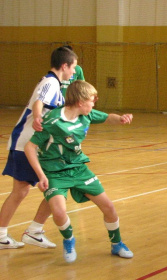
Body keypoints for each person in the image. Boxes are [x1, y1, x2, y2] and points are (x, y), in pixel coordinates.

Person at [24, 80, 134, 263]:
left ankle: (117, 244)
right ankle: (69, 240)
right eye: (92, 100)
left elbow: (107, 117)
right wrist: (41, 175)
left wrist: (121, 118)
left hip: (79, 169)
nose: (94, 103)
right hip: (55, 172)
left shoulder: (87, 114)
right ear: (80, 102)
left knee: (109, 207)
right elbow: (30, 147)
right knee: (59, 212)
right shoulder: (52, 120)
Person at [0, 46, 77, 249]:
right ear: (64, 65)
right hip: (25, 144)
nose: (74, 72)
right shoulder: (50, 82)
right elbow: (39, 102)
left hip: (36, 146)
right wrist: (36, 116)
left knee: (51, 187)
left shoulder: (55, 85)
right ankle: (14, 233)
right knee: (25, 190)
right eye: (73, 67)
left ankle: (33, 231)